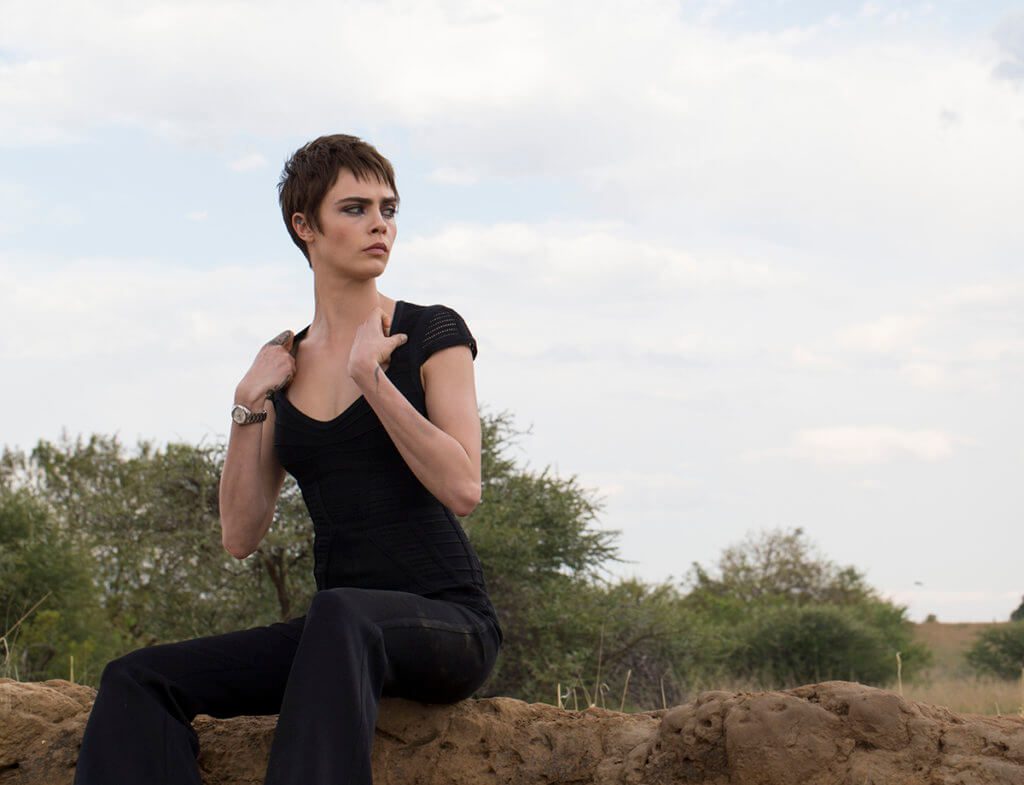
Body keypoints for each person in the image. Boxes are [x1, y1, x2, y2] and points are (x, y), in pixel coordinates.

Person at [73, 134, 503, 785]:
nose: (380, 224)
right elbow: (240, 535)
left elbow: (463, 486)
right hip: (336, 640)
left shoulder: (430, 331)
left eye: (388, 208)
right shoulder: (285, 364)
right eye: (355, 208)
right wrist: (247, 403)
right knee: (137, 678)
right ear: (305, 226)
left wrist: (372, 380)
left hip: (448, 622)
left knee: (341, 614)